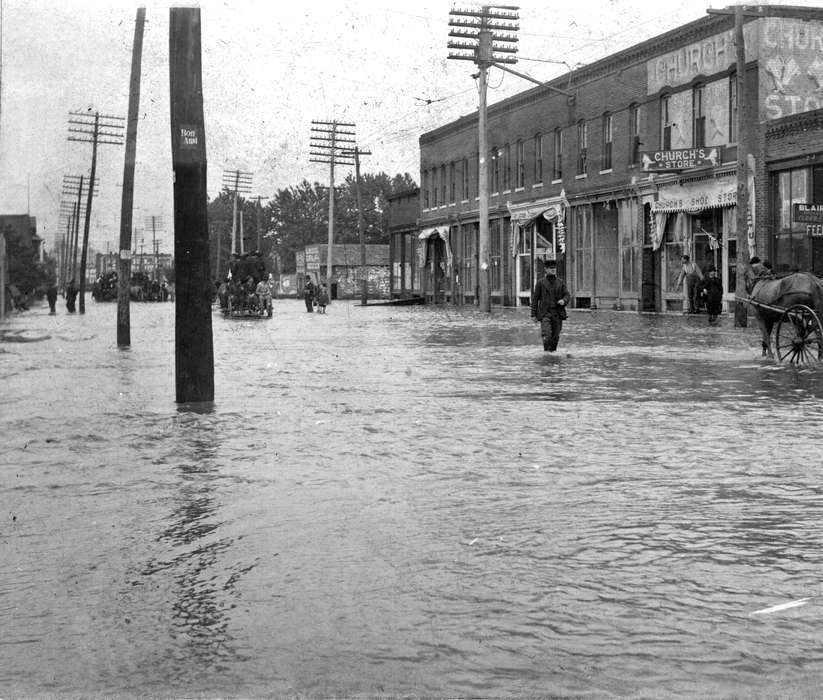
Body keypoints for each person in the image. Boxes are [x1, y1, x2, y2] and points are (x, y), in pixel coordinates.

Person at [531, 258, 570, 352]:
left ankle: (552, 357)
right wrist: (533, 315)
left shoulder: (561, 282)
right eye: (550, 268)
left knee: (555, 338)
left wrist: (563, 300)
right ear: (546, 269)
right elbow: (535, 299)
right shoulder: (540, 283)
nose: (553, 270)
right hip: (545, 314)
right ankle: (546, 355)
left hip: (557, 313)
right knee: (546, 335)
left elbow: (567, 295)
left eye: (554, 268)